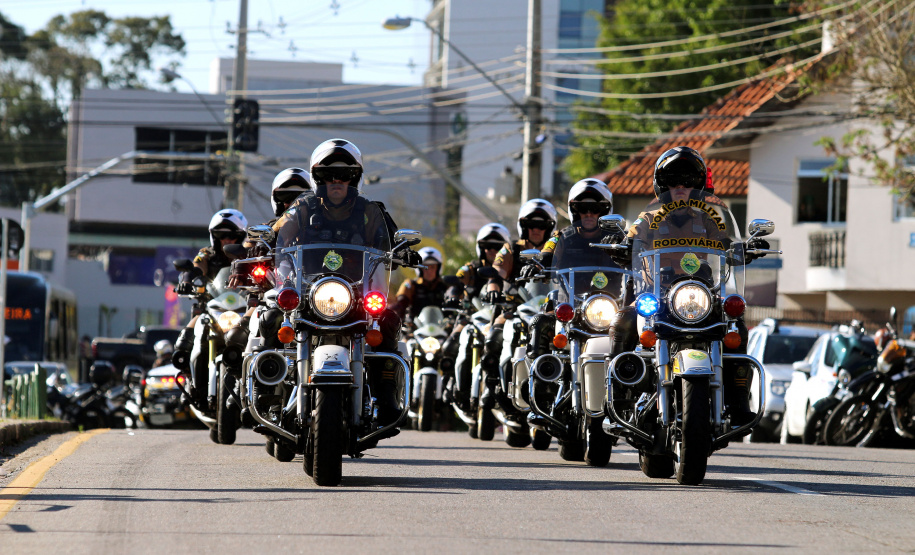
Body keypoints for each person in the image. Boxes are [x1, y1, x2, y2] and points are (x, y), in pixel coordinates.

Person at [606, 146, 767, 426]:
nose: (680, 187)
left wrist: (747, 247)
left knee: (735, 325)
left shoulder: (707, 218)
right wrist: (620, 244)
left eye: (687, 182)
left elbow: (727, 243)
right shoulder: (648, 218)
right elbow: (631, 237)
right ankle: (618, 393)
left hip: (700, 296)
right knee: (624, 317)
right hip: (658, 293)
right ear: (661, 186)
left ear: (697, 187)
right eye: (673, 182)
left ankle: (739, 401)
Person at [265, 138, 415, 429]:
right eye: (327, 175)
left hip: (356, 293)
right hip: (310, 291)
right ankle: (270, 393)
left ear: (354, 178)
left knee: (387, 320)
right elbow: (277, 232)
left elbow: (392, 239)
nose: (336, 181)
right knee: (272, 318)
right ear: (317, 178)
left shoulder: (371, 211)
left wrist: (405, 250)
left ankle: (386, 398)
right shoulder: (301, 208)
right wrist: (263, 242)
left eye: (344, 175)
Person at [525, 179, 620, 358]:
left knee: (640, 327)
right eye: (583, 208)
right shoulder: (561, 236)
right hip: (569, 308)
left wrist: (624, 249)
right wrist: (536, 264)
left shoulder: (617, 237)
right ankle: (539, 381)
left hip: (611, 308)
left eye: (595, 209)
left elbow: (638, 256)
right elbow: (546, 252)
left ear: (605, 210)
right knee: (539, 322)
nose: (589, 214)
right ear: (574, 211)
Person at [172, 209, 248, 382]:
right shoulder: (207, 253)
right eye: (220, 234)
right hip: (212, 307)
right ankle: (189, 375)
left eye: (233, 235)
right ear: (213, 236)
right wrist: (187, 279)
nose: (227, 240)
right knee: (185, 340)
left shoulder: (248, 254)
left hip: (242, 308)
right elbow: (197, 265)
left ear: (241, 236)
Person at [391, 246, 447, 322]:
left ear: (438, 268)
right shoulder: (410, 285)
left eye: (432, 267)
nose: (429, 271)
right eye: (425, 267)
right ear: (419, 269)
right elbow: (400, 304)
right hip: (415, 330)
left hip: (444, 330)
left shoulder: (447, 285)